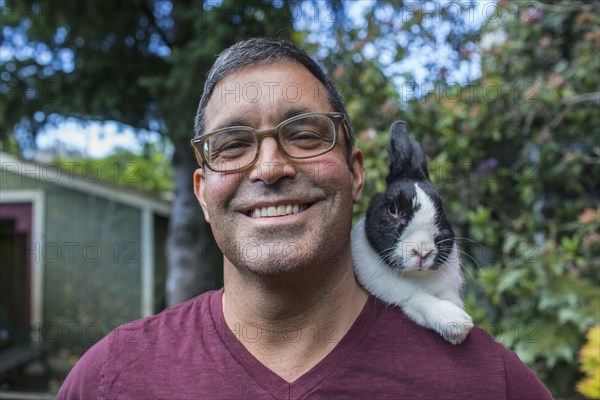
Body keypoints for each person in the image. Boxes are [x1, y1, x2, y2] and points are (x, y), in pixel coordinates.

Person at [58, 38, 552, 399]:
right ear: (203, 194)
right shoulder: (109, 378)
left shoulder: (488, 382)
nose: (270, 168)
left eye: (306, 135)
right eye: (232, 145)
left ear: (356, 175)